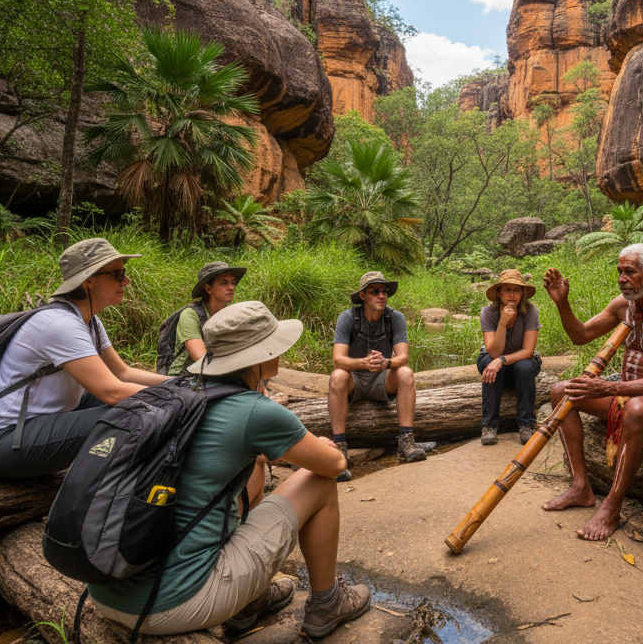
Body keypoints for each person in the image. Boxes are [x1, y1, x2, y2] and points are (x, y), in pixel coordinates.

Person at [88, 301, 370, 640]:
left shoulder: (179, 391)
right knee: (319, 480)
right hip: (169, 604)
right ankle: (327, 602)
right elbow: (336, 464)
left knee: (254, 465)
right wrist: (323, 446)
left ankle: (250, 599)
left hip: (106, 590)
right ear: (260, 355)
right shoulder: (254, 411)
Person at [0, 238, 165, 479]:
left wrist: (185, 382)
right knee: (130, 413)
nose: (126, 281)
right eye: (117, 274)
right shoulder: (60, 324)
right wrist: (182, 398)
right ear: (89, 281)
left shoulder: (89, 321)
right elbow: (112, 391)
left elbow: (123, 373)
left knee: (135, 404)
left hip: (36, 426)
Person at [541, 243, 643, 541]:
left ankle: (612, 506)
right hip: (628, 391)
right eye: (619, 272)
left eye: (629, 272)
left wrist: (607, 387)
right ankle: (580, 487)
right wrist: (562, 302)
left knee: (637, 410)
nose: (621, 279)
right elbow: (581, 335)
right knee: (561, 391)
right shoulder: (624, 305)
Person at [328, 271, 426, 476]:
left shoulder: (395, 318)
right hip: (354, 381)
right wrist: (363, 363)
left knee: (406, 373)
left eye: (384, 291)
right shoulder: (347, 318)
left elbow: (403, 357)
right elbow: (338, 359)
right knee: (337, 375)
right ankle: (339, 448)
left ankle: (406, 442)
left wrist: (386, 363)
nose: (381, 296)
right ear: (363, 296)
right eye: (375, 292)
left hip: (383, 379)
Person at [477, 269, 542, 446]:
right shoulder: (488, 312)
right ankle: (489, 426)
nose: (512, 294)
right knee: (490, 362)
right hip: (492, 359)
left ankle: (526, 425)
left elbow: (528, 351)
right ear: (499, 293)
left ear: (523, 293)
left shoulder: (530, 311)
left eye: (517, 290)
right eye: (507, 289)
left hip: (522, 362)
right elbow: (494, 352)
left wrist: (502, 360)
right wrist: (503, 321)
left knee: (524, 366)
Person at [167, 261, 246, 375]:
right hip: (185, 376)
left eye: (232, 283)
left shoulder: (232, 314)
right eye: (224, 283)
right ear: (208, 289)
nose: (231, 287)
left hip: (218, 371)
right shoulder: (190, 315)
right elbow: (201, 359)